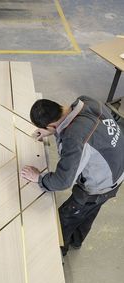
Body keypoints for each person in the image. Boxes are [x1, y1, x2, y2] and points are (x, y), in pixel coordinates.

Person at [21, 96, 124, 256]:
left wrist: (39, 178)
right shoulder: (87, 101)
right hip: (117, 169)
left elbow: (63, 181)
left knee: (62, 220)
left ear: (51, 125)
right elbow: (69, 127)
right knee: (88, 212)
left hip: (100, 184)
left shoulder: (74, 137)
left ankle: (58, 253)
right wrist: (51, 132)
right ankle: (76, 241)